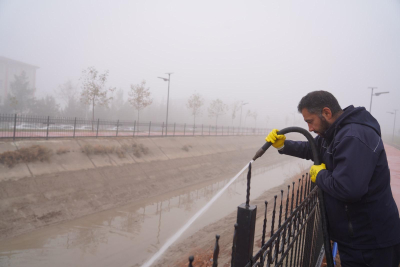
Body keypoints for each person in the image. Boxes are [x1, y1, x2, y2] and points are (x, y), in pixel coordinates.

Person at [266, 91, 400, 267]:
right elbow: (312, 149)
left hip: (370, 242)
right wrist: (283, 145)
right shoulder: (335, 132)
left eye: (310, 121)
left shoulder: (354, 136)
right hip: (357, 236)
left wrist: (319, 175)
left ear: (327, 113)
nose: (310, 129)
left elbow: (348, 189)